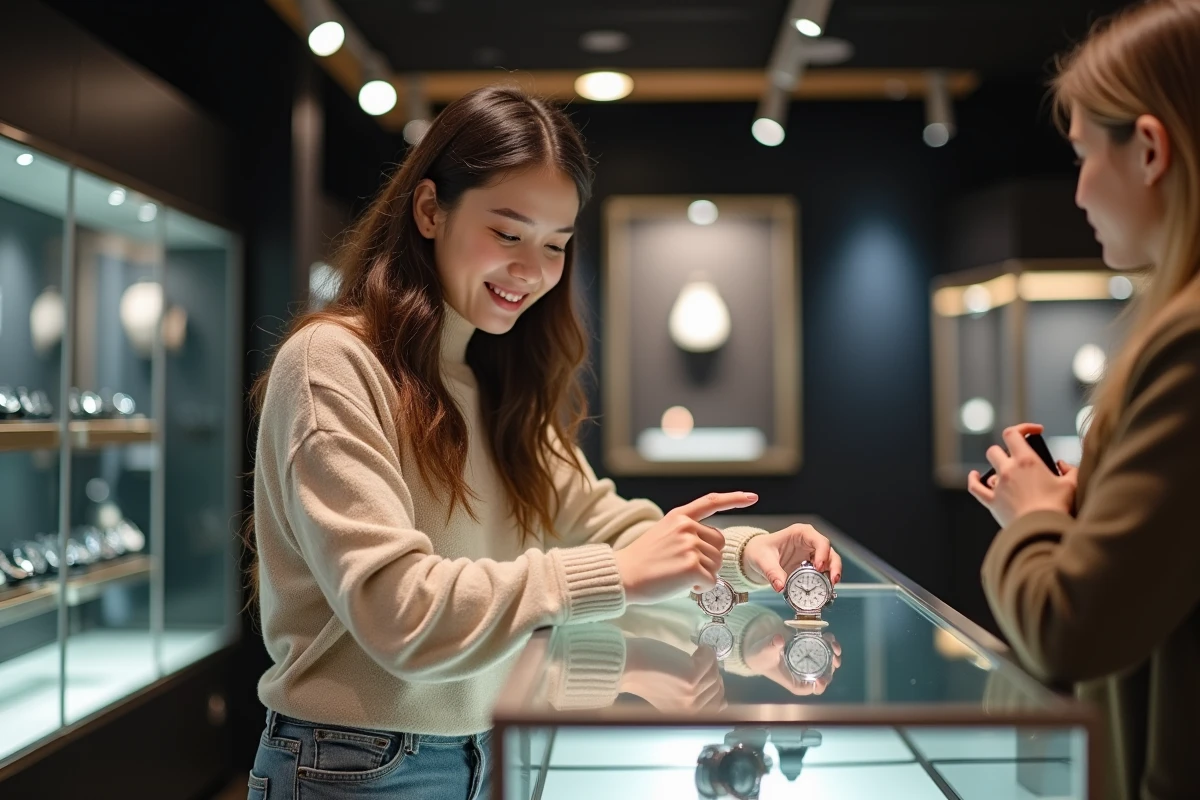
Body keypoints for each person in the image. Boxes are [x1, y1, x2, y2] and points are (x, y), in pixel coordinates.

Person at [245, 85, 842, 800]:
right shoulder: (332, 362)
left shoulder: (493, 379)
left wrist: (750, 555)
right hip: (351, 764)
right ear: (430, 210)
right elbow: (397, 610)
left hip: (486, 745)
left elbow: (602, 520)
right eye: (507, 233)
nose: (532, 271)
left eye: (555, 246)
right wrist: (613, 576)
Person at [967, 2, 1200, 798]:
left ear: (1148, 148)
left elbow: (1070, 629)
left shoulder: (1187, 341)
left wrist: (1035, 517)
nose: (1078, 194)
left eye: (1079, 156)